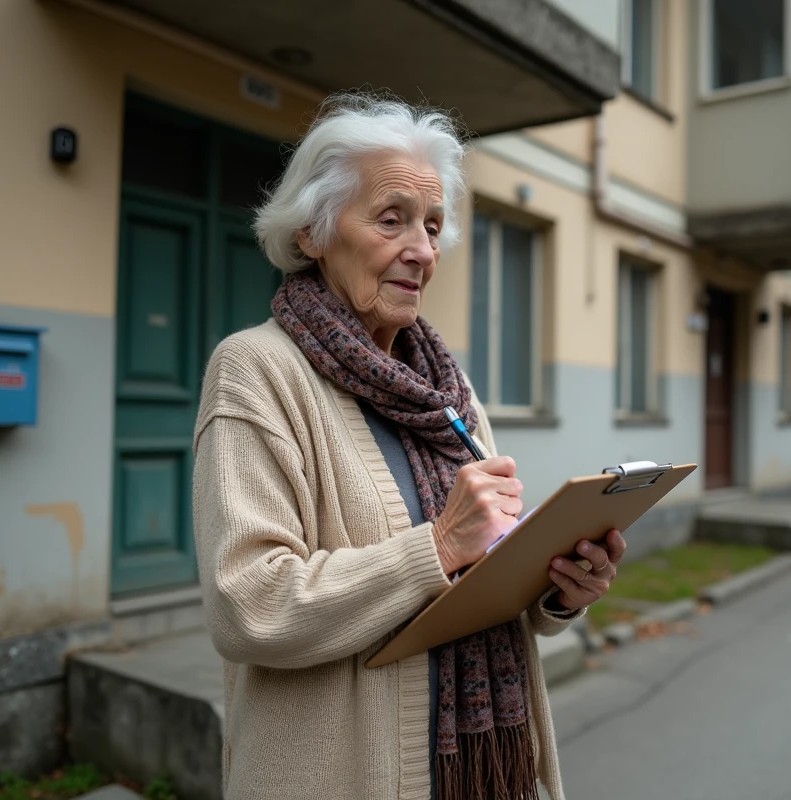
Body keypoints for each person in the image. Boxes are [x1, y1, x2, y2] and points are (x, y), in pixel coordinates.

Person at [192, 93, 627, 800]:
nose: (422, 250)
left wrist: (558, 592)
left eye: (431, 225)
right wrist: (438, 547)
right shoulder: (256, 370)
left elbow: (485, 572)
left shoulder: (448, 389)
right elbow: (249, 605)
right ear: (313, 232)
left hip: (483, 775)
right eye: (391, 219)